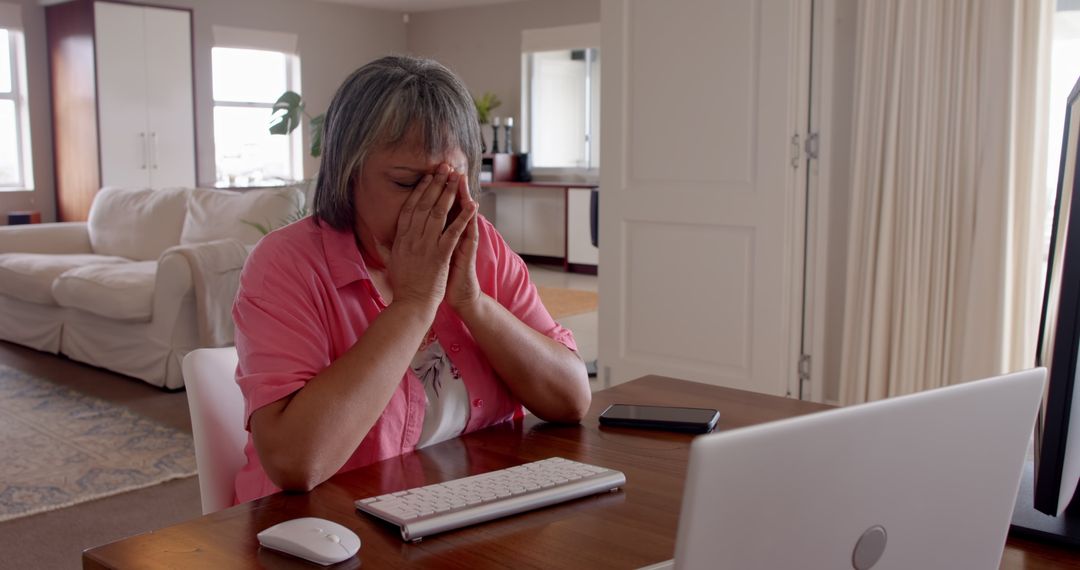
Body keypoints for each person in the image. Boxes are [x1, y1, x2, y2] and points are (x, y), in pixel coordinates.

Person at [231, 55, 591, 504]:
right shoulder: (285, 264)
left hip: (466, 512)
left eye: (449, 181)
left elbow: (571, 400)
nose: (435, 203)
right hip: (326, 529)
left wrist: (473, 303)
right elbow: (294, 463)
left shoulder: (483, 248)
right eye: (406, 182)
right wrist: (415, 303)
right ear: (348, 173)